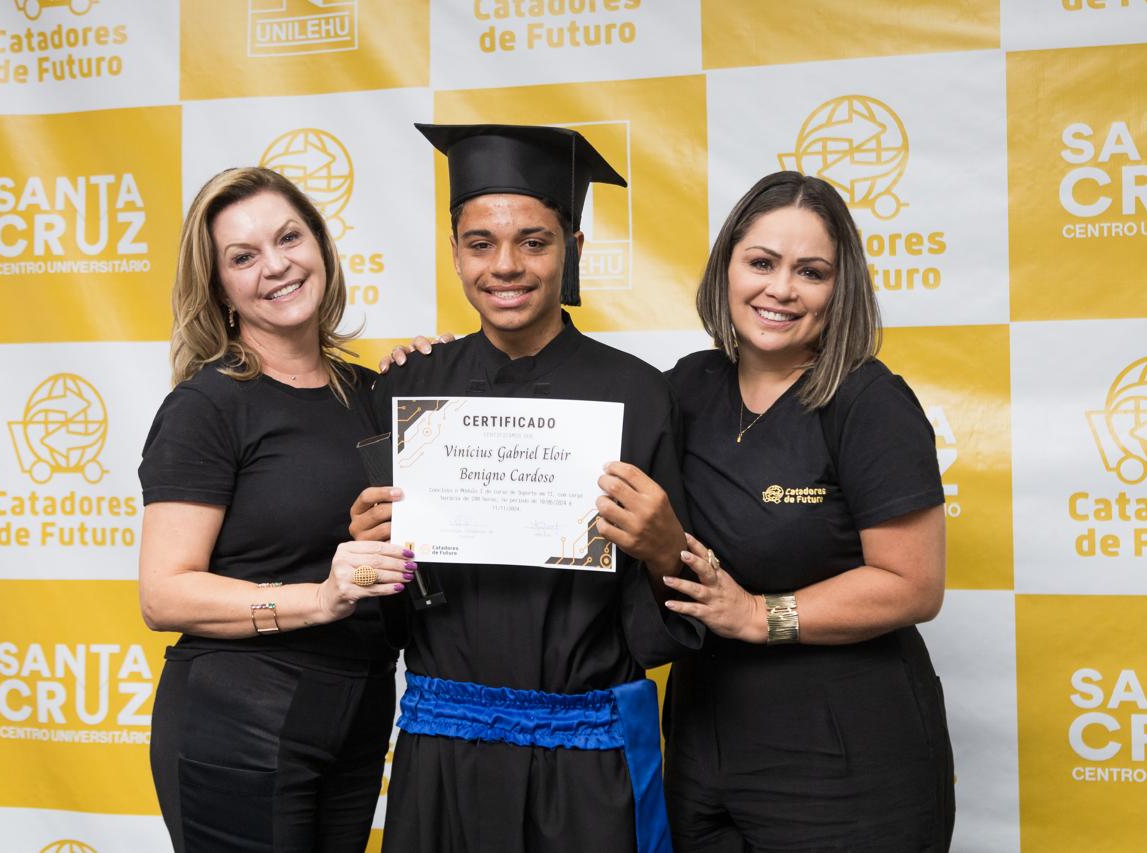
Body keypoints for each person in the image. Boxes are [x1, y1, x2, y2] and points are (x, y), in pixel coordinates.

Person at [349, 123, 701, 853]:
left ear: (573, 249)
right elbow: (379, 615)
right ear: (454, 252)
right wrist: (368, 553)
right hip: (443, 757)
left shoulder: (637, 394)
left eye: (533, 241)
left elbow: (659, 620)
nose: (504, 266)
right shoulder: (409, 390)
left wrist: (669, 552)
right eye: (480, 243)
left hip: (585, 764)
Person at [658, 171, 955, 851]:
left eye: (811, 271)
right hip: (705, 742)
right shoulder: (685, 388)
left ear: (839, 286)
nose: (781, 289)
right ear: (726, 266)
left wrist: (759, 616)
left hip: (846, 755)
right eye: (761, 262)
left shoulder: (868, 402)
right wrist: (445, 368)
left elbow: (914, 582)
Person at [137, 166, 413, 853]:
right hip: (239, 719)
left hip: (357, 713)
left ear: (320, 244)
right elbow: (163, 593)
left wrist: (435, 376)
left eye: (289, 237)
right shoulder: (208, 406)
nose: (277, 264)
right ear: (220, 287)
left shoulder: (372, 393)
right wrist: (317, 598)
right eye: (243, 256)